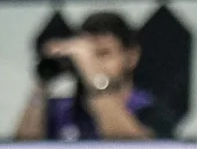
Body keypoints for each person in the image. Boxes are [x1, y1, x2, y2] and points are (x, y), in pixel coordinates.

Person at [15, 9, 160, 141]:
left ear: (132, 56)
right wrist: (42, 84)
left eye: (103, 53)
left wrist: (94, 76)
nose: (93, 63)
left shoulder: (148, 108)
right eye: (89, 55)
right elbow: (23, 148)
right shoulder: (62, 109)